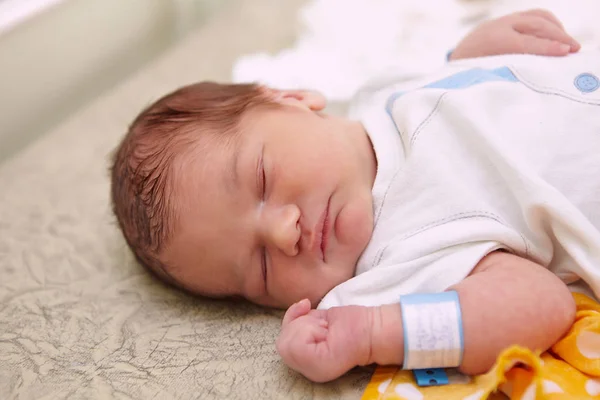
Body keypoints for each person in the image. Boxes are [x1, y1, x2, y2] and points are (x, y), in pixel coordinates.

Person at [111, 9, 600, 382]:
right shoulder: (396, 265)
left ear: (294, 99)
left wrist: (478, 51)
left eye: (262, 180)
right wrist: (374, 334)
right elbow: (539, 305)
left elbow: (444, 77)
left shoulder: (377, 96)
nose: (285, 233)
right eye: (260, 267)